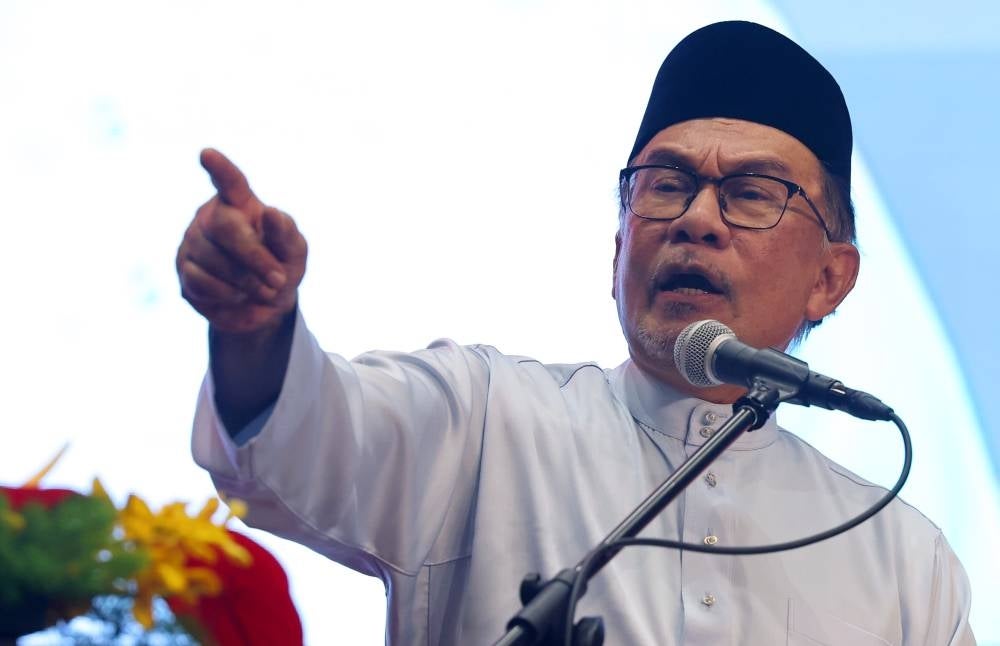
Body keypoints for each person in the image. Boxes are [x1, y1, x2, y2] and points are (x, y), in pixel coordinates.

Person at [177, 21, 976, 645]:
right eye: (666, 185)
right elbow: (297, 441)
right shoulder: (489, 422)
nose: (696, 219)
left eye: (753, 193)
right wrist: (259, 329)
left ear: (830, 277)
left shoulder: (904, 558)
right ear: (621, 240)